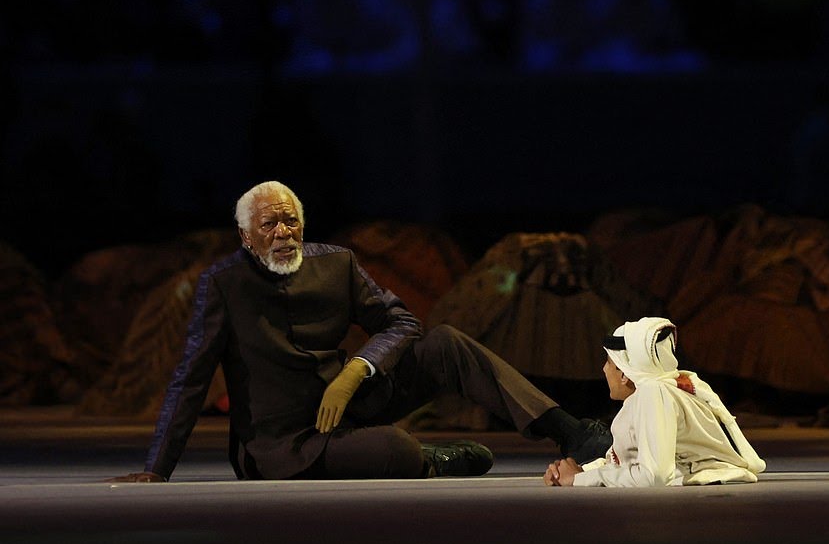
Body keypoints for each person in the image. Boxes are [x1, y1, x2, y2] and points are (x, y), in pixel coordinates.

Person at [111, 181, 610, 483]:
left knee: (446, 342)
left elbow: (402, 321)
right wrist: (159, 466)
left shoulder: (337, 264)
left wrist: (358, 367)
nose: (283, 233)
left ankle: (569, 431)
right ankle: (428, 460)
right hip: (287, 442)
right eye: (269, 225)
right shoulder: (222, 286)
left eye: (291, 222)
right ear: (245, 236)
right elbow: (190, 378)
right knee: (393, 448)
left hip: (350, 400)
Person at [543, 316, 766, 487]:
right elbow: (631, 461)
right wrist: (577, 472)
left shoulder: (654, 392)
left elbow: (654, 476)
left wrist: (579, 480)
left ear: (625, 373)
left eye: (609, 362)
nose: (603, 369)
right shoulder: (672, 385)